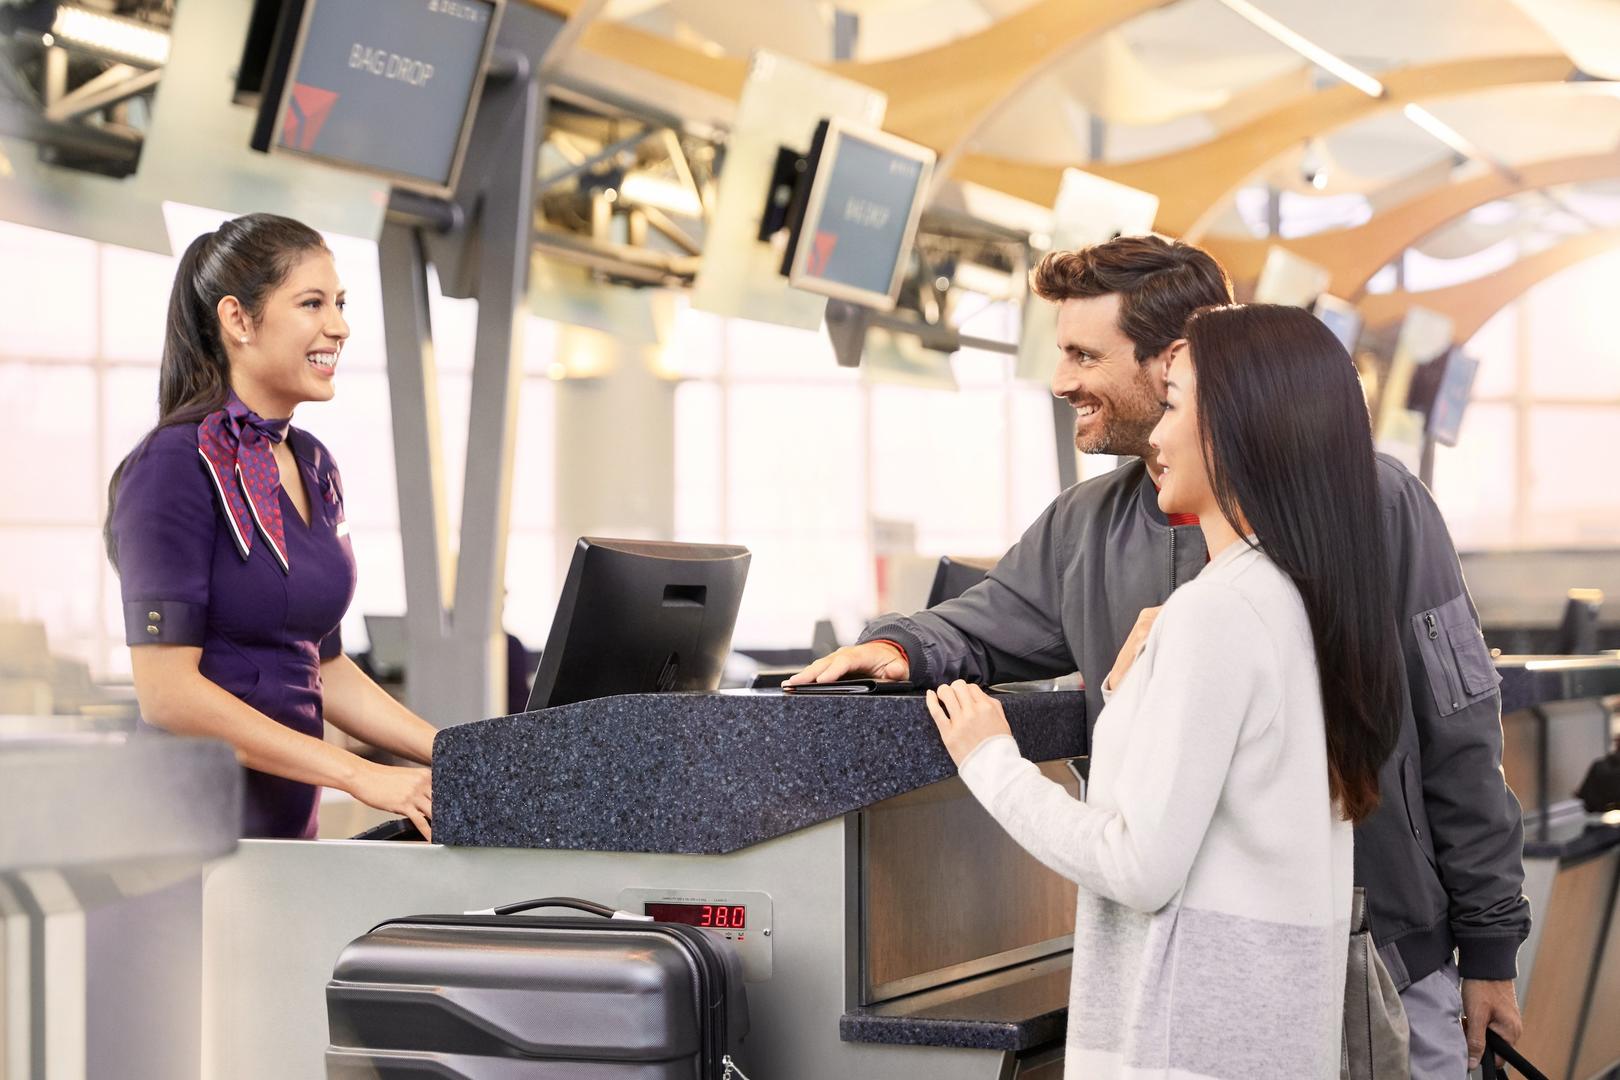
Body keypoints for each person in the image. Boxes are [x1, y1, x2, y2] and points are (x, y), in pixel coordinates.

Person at [789, 236, 1530, 1076]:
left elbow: (1459, 729)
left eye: (1083, 354)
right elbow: (982, 623)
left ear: (1178, 356)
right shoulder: (1084, 526)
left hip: (1386, 950)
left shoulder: (1375, 505)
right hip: (1197, 982)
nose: (1062, 380)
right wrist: (896, 647)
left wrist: (1490, 939)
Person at [929, 303, 1400, 1077]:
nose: (1154, 435)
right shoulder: (1295, 599)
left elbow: (1137, 867)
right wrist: (1132, 706)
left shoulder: (1217, 612)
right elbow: (1210, 820)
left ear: (1239, 428)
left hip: (1185, 1053)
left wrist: (991, 760)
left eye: (1174, 404)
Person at [105, 213, 436, 840]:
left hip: (281, 837)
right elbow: (168, 695)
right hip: (179, 838)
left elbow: (323, 665)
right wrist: (357, 774)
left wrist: (453, 752)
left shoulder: (313, 464)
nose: (337, 326)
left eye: (339, 304)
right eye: (311, 303)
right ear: (238, 320)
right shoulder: (173, 466)